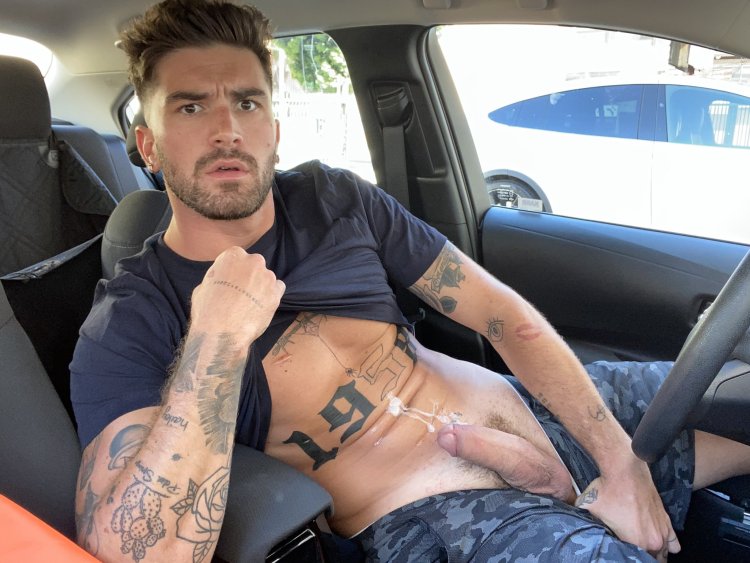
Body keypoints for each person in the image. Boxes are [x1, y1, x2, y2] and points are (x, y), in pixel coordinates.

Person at [69, 1, 750, 561]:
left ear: (273, 130)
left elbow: (500, 315)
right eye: (190, 108)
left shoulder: (334, 201)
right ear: (148, 145)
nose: (226, 130)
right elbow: (136, 551)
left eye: (246, 103)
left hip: (541, 413)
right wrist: (215, 339)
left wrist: (619, 462)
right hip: (443, 514)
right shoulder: (130, 320)